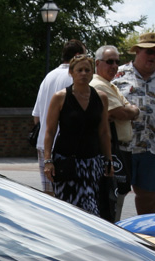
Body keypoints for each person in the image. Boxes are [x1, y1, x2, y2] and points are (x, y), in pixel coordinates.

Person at [113, 32, 155, 215]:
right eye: (148, 51)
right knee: (115, 194)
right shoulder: (118, 75)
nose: (152, 56)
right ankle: (111, 234)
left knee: (149, 196)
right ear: (137, 51)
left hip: (153, 147)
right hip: (122, 148)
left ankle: (145, 235)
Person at [42, 54, 113, 216]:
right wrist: (48, 160)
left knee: (91, 210)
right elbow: (50, 131)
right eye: (79, 70)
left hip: (91, 162)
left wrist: (108, 159)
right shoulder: (60, 97)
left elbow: (103, 131)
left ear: (92, 73)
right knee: (67, 211)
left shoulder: (101, 97)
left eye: (87, 70)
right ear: (71, 73)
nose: (83, 73)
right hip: (66, 162)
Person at [91, 45, 138, 221]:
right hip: (111, 150)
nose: (114, 66)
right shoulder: (97, 85)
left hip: (122, 148)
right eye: (109, 61)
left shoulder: (110, 86)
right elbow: (122, 112)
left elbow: (128, 109)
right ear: (98, 63)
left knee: (118, 197)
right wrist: (131, 111)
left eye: (117, 62)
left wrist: (130, 110)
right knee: (112, 200)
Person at [32, 40, 86, 193]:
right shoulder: (77, 79)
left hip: (44, 145)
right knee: (69, 198)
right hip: (66, 149)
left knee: (50, 197)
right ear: (77, 55)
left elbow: (36, 116)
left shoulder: (48, 77)